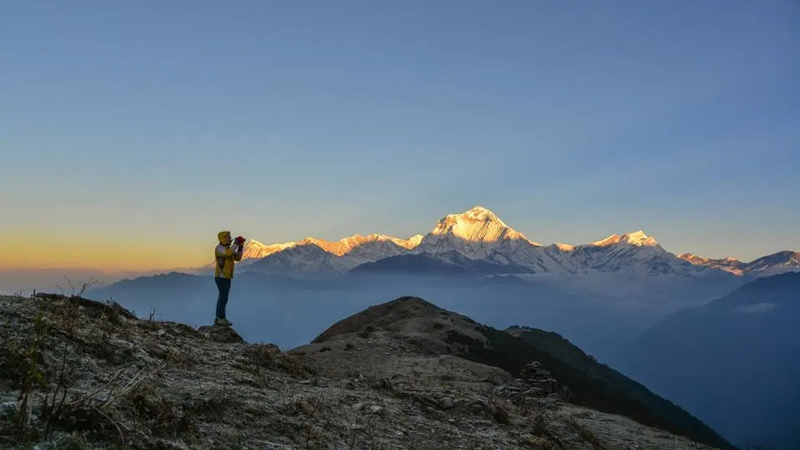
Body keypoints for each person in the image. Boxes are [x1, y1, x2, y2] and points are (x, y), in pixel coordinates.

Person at [214, 231, 244, 326]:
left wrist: (240, 246)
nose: (229, 238)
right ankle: (221, 318)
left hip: (227, 277)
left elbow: (237, 258)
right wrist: (236, 243)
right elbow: (227, 254)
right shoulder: (219, 248)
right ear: (223, 238)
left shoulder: (228, 248)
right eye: (227, 236)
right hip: (221, 276)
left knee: (224, 297)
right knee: (223, 297)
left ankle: (219, 317)